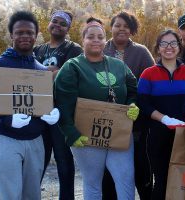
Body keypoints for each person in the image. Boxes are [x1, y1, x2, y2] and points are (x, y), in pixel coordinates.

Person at [0, 11, 59, 200]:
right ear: (11, 35)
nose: (25, 36)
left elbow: (45, 101)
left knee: (32, 195)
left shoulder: (42, 70)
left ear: (36, 36)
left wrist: (51, 113)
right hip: (5, 139)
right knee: (7, 195)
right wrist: (5, 119)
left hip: (35, 141)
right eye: (19, 32)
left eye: (29, 32)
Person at [54, 17, 139, 200]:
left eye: (100, 37)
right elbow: (62, 102)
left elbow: (133, 88)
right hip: (86, 135)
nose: (95, 40)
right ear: (82, 39)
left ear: (105, 40)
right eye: (90, 36)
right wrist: (71, 132)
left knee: (125, 178)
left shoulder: (118, 65)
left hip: (118, 132)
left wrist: (133, 104)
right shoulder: (72, 67)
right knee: (93, 182)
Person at [137, 29, 185, 200]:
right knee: (162, 181)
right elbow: (143, 104)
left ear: (179, 46)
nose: (169, 47)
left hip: (184, 133)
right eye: (164, 43)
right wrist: (164, 119)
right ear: (158, 48)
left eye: (173, 43)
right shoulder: (148, 74)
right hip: (158, 133)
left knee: (184, 180)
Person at [103, 11, 155, 200]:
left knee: (141, 167)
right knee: (108, 172)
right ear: (111, 28)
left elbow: (152, 81)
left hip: (136, 121)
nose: (121, 29)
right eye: (117, 25)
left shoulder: (141, 52)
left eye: (126, 26)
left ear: (132, 30)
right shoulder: (101, 49)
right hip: (106, 120)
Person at [33, 10, 82, 200]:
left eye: (63, 23)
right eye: (55, 21)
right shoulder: (38, 50)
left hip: (61, 112)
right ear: (48, 23)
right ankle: (30, 195)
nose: (58, 25)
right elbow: (29, 75)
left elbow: (73, 75)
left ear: (68, 28)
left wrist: (52, 73)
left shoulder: (73, 48)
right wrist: (51, 72)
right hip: (38, 111)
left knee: (63, 159)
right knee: (38, 159)